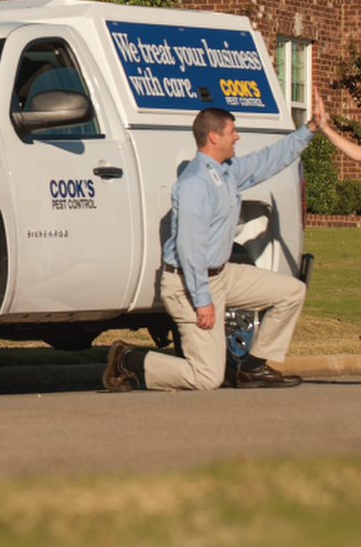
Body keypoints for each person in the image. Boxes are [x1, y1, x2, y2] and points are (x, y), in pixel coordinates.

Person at [104, 103, 320, 392]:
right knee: (207, 377)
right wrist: (202, 300)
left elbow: (269, 160)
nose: (238, 137)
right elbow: (190, 248)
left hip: (222, 275)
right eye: (233, 131)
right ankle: (128, 360)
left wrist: (309, 130)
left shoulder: (226, 171)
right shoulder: (194, 184)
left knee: (291, 292)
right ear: (214, 137)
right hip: (188, 284)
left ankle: (254, 368)